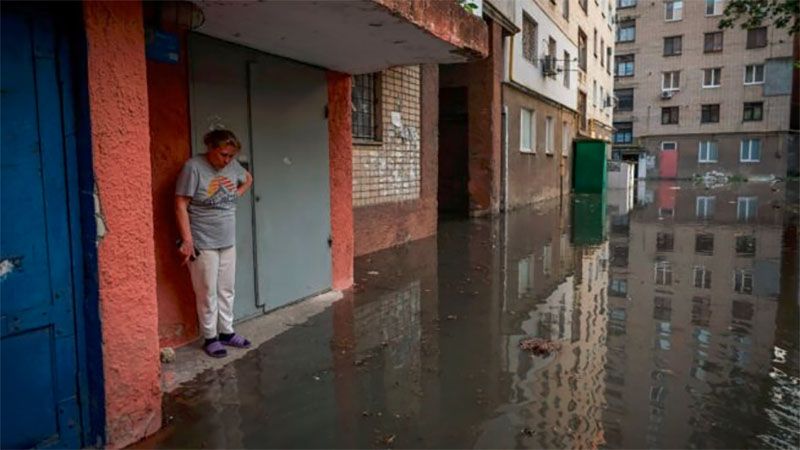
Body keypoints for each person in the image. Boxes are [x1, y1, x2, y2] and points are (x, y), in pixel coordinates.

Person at [175, 129, 253, 358]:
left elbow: (248, 178)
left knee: (226, 289)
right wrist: (188, 240)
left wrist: (236, 194)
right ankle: (210, 337)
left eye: (231, 155)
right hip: (203, 241)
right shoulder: (193, 167)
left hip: (227, 239)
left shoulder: (232, 166)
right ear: (210, 148)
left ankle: (227, 332)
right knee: (207, 290)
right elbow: (180, 203)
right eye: (223, 154)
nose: (227, 160)